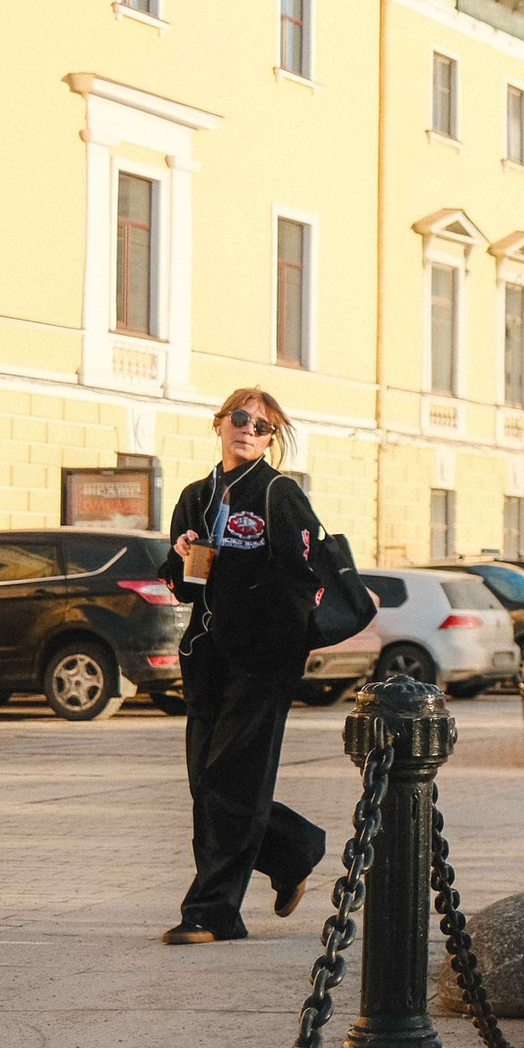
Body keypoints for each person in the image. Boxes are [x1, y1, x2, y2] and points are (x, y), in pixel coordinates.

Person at [158, 388, 330, 945]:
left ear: (271, 439)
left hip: (261, 662)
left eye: (262, 427)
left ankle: (212, 912)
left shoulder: (279, 493)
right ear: (219, 423)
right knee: (207, 783)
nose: (249, 431)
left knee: (229, 783)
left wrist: (275, 635)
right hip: (205, 657)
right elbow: (180, 586)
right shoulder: (195, 495)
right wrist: (183, 558)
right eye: (240, 419)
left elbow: (305, 578)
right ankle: (294, 848)